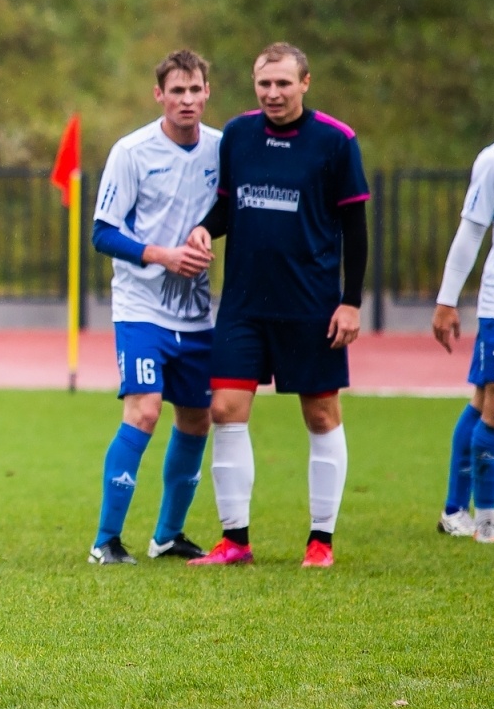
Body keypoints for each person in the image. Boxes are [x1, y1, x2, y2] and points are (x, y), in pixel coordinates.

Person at [184, 43, 369, 568]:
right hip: (243, 303)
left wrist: (350, 302)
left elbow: (355, 229)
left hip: (310, 305)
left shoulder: (335, 142)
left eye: (283, 83)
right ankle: (235, 541)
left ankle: (321, 541)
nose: (273, 93)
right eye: (264, 84)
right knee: (224, 410)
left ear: (305, 83)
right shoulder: (239, 135)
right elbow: (226, 204)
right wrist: (203, 227)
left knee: (321, 415)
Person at [86, 49, 220, 564]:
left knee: (196, 419)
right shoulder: (132, 151)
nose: (187, 100)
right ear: (158, 95)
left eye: (195, 90)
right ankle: (106, 541)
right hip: (141, 308)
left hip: (197, 311)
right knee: (143, 412)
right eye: (177, 91)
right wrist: (163, 255)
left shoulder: (221, 150)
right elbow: (102, 233)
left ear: (208, 93)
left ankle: (168, 535)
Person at [430, 140, 494, 543]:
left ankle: (455, 510)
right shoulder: (493, 161)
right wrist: (446, 301)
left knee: (480, 402)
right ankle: (487, 521)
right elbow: (471, 232)